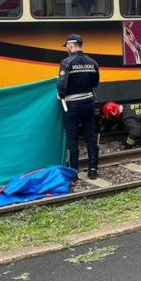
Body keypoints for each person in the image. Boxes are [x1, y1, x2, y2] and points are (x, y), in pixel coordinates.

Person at [57, 34, 100, 180]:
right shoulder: (92, 63)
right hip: (88, 102)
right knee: (90, 137)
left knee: (72, 139)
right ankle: (93, 170)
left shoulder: (66, 63)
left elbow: (61, 84)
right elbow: (95, 83)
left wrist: (61, 94)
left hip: (72, 105)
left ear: (70, 45)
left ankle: (73, 173)